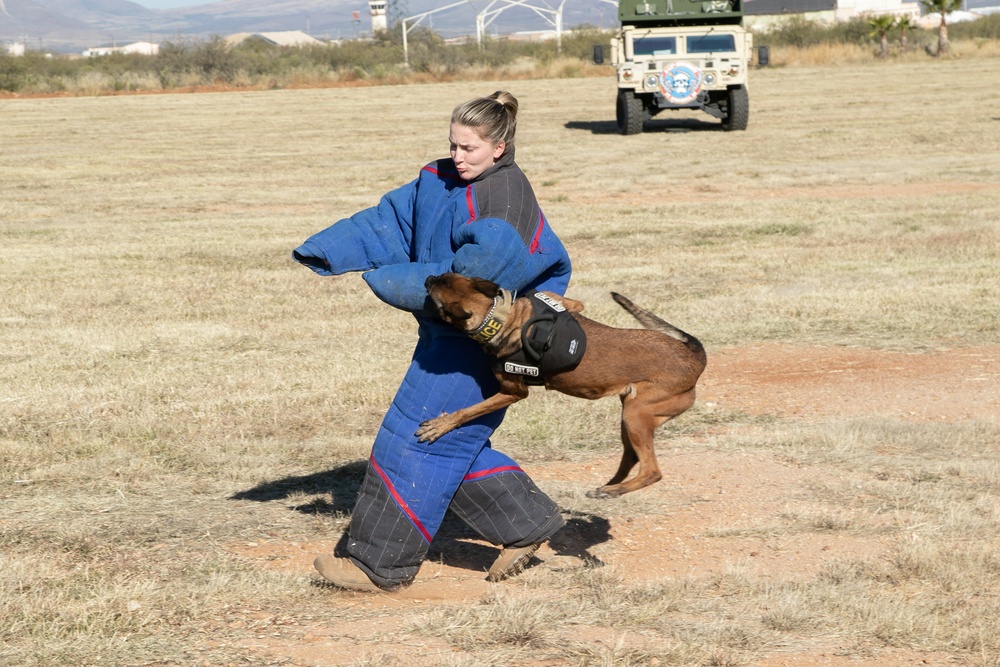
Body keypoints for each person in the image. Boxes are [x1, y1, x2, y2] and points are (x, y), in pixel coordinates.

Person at [292, 91, 572, 592]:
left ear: (500, 147)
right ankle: (526, 524)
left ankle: (378, 566)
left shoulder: (505, 200)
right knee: (450, 438)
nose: (458, 157)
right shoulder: (442, 177)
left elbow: (467, 284)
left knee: (414, 436)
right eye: (454, 145)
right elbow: (392, 219)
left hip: (487, 343)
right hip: (447, 337)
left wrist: (387, 277)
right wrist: (328, 250)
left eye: (470, 149)